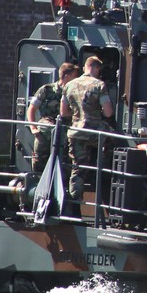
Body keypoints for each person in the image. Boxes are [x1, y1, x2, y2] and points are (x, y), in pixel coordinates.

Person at [59, 55, 114, 200]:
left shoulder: (69, 85)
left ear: (85, 68)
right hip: (95, 131)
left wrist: (77, 114)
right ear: (96, 68)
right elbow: (108, 113)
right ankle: (103, 174)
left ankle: (74, 202)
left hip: (76, 132)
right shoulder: (99, 85)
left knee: (77, 168)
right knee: (113, 140)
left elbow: (63, 112)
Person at [27, 61, 78, 173]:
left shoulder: (73, 92)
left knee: (65, 162)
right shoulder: (46, 90)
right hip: (46, 129)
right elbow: (31, 109)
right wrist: (33, 128)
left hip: (65, 130)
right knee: (40, 159)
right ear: (67, 76)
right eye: (74, 76)